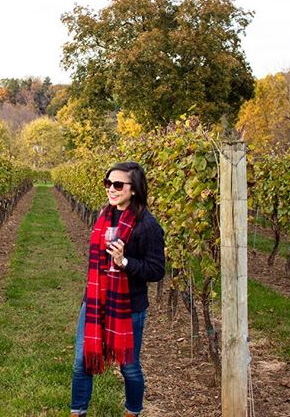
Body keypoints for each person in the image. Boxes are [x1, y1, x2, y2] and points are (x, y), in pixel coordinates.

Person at [70, 161, 165, 417]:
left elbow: (156, 271)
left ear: (134, 189)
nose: (111, 189)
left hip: (128, 307)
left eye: (118, 184)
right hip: (95, 300)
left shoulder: (147, 225)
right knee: (82, 362)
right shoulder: (104, 215)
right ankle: (77, 411)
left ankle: (132, 411)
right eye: (108, 183)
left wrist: (124, 262)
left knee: (129, 367)